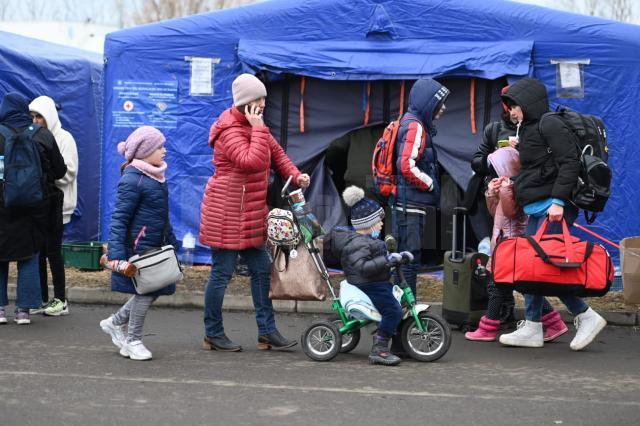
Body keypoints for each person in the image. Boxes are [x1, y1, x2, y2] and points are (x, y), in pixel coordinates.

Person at [200, 73, 310, 352]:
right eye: (259, 98)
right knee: (222, 274)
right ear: (247, 102)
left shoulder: (254, 127)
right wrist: (258, 127)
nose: (264, 103)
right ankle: (212, 332)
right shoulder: (230, 131)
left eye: (264, 98)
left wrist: (296, 176)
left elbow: (277, 155)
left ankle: (267, 332)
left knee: (262, 271)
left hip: (249, 213)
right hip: (226, 213)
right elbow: (252, 162)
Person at [498, 78, 606, 351]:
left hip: (554, 206)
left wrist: (558, 201)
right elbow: (540, 165)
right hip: (539, 206)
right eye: (509, 107)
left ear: (528, 102)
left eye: (515, 106)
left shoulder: (549, 122)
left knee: (546, 266)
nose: (512, 111)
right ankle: (534, 327)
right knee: (532, 265)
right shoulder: (532, 127)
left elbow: (568, 162)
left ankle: (586, 315)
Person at [464, 147, 566, 342]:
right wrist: (490, 194)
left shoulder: (518, 189)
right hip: (503, 246)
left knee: (497, 287)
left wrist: (504, 189)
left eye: (497, 170)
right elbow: (497, 213)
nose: (494, 175)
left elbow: (511, 211)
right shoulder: (509, 188)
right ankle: (554, 322)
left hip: (511, 247)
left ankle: (488, 327)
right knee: (520, 286)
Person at [99, 126, 178, 361]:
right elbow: (119, 218)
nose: (164, 151)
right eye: (159, 147)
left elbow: (161, 216)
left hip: (155, 244)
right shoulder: (133, 179)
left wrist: (171, 241)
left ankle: (115, 323)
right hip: (140, 246)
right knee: (147, 291)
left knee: (154, 288)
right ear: (144, 151)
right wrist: (117, 254)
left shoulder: (154, 176)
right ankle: (133, 340)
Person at [0, 92, 66, 325]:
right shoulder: (42, 134)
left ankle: (0, 309)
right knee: (30, 254)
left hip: (2, 204)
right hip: (35, 205)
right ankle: (23, 311)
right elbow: (60, 171)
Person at [328, 186, 411, 366]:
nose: (382, 224)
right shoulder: (358, 244)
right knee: (393, 310)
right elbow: (363, 267)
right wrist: (387, 260)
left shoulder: (368, 241)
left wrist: (399, 258)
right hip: (368, 283)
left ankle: (397, 342)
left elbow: (378, 260)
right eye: (379, 221)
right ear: (368, 224)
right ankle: (379, 348)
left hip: (375, 280)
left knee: (397, 303)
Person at [392, 78, 449, 295]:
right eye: (439, 103)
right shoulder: (415, 126)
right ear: (428, 103)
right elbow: (405, 165)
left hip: (406, 203)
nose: (443, 107)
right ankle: (407, 312)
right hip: (411, 205)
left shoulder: (410, 122)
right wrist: (430, 184)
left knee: (401, 258)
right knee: (409, 260)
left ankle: (399, 312)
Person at [28, 96, 79, 316]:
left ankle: (61, 299)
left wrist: (45, 176)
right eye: (32, 116)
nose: (36, 120)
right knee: (39, 252)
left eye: (39, 116)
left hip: (60, 203)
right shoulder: (33, 137)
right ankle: (41, 298)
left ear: (49, 116)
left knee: (53, 251)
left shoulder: (64, 138)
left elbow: (69, 172)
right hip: (40, 204)